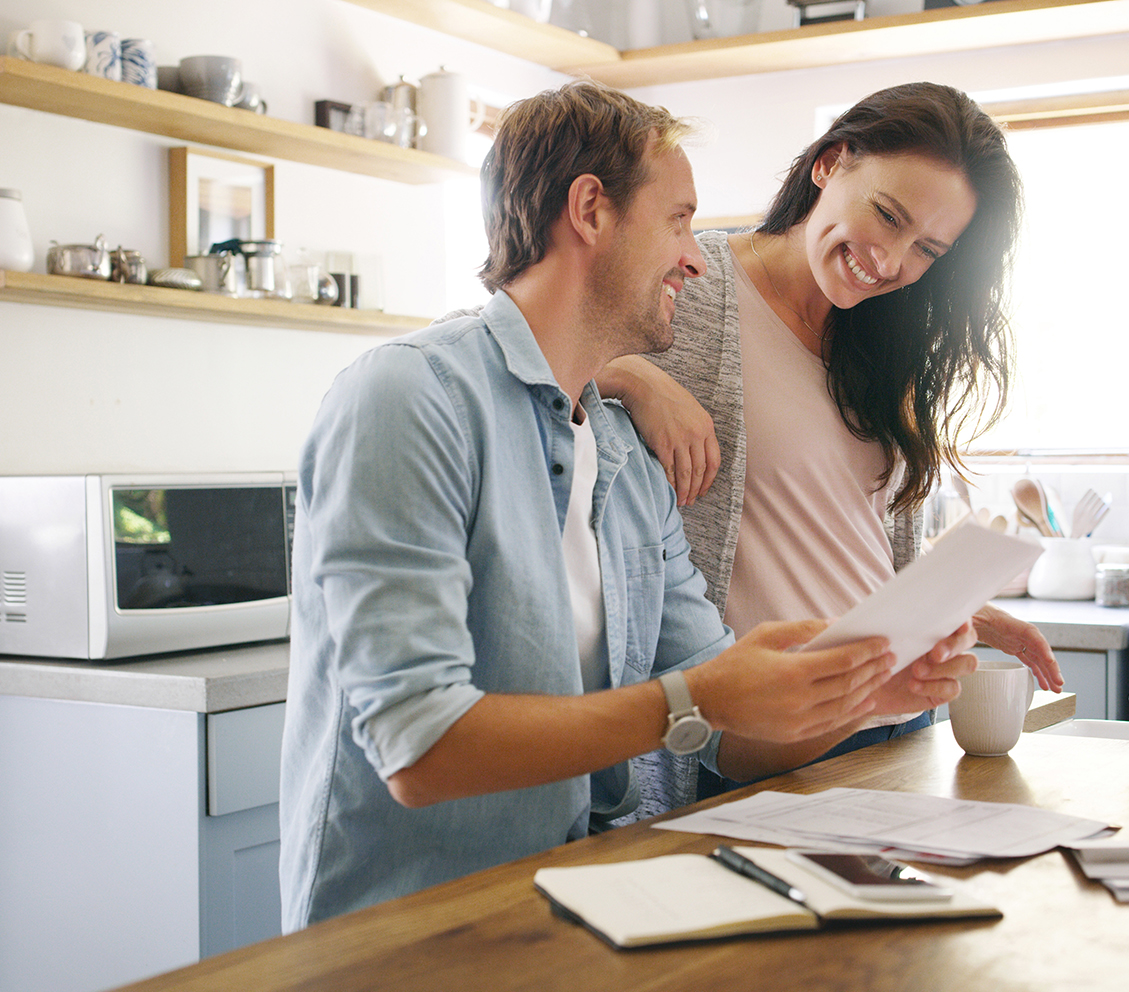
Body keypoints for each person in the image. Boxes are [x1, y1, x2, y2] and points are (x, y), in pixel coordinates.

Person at [278, 80, 978, 931]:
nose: (695, 256)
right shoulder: (405, 399)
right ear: (590, 212)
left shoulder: (624, 460)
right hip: (409, 934)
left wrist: (863, 688)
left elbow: (728, 732)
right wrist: (696, 698)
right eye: (680, 220)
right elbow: (418, 747)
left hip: (579, 910)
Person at [597, 82, 1064, 799]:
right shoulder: (693, 283)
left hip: (895, 718)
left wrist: (948, 608)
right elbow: (528, 342)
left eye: (928, 249)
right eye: (887, 215)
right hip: (758, 739)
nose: (891, 261)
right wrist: (632, 377)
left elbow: (839, 542)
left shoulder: (887, 345)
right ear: (830, 163)